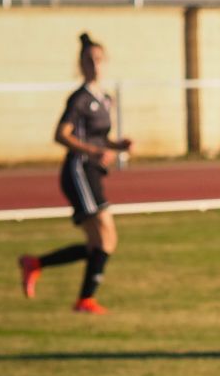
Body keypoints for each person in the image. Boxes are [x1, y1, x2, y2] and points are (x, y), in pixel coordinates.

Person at [17, 33, 133, 314]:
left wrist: (117, 145)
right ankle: (83, 298)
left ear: (105, 63)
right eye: (88, 60)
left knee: (102, 243)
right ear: (81, 65)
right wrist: (91, 151)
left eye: (98, 59)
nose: (94, 64)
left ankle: (41, 268)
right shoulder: (79, 99)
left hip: (92, 171)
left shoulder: (106, 98)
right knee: (105, 236)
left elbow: (100, 137)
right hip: (78, 170)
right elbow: (61, 135)